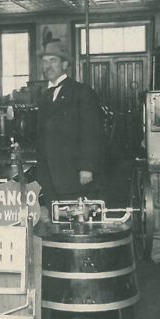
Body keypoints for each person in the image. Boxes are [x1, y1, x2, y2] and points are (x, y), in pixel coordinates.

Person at [33, 40, 104, 209]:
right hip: (49, 175)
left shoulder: (82, 92)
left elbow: (92, 133)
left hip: (74, 173)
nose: (47, 66)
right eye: (44, 61)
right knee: (55, 217)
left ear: (65, 64)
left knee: (77, 217)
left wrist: (87, 167)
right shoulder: (44, 97)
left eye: (53, 61)